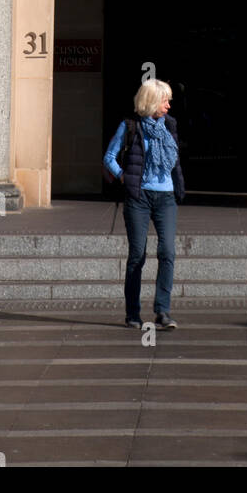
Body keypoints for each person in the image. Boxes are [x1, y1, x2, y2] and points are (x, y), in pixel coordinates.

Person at [103, 78, 185, 330]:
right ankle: (133, 313)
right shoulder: (130, 126)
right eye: (165, 100)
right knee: (137, 255)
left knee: (167, 251)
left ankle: (162, 311)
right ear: (150, 102)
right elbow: (109, 157)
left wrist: (180, 186)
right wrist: (123, 176)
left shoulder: (170, 126)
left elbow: (174, 162)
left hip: (166, 197)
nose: (169, 105)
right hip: (139, 198)